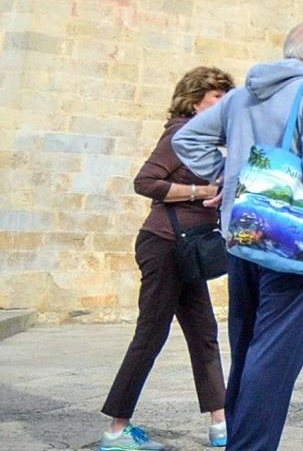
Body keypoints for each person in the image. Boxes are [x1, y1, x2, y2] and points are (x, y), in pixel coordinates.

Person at [174, 22, 303, 451]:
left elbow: (188, 139)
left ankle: (241, 440)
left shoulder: (242, 95)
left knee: (249, 345)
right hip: (295, 240)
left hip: (244, 235)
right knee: (274, 353)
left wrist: (231, 183)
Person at [100, 67, 236, 451]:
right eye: (216, 98)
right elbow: (145, 182)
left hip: (186, 248)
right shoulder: (179, 134)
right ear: (194, 102)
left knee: (204, 333)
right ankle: (116, 431)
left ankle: (221, 424)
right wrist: (200, 191)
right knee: (151, 334)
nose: (224, 105)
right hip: (163, 245)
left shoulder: (205, 144)